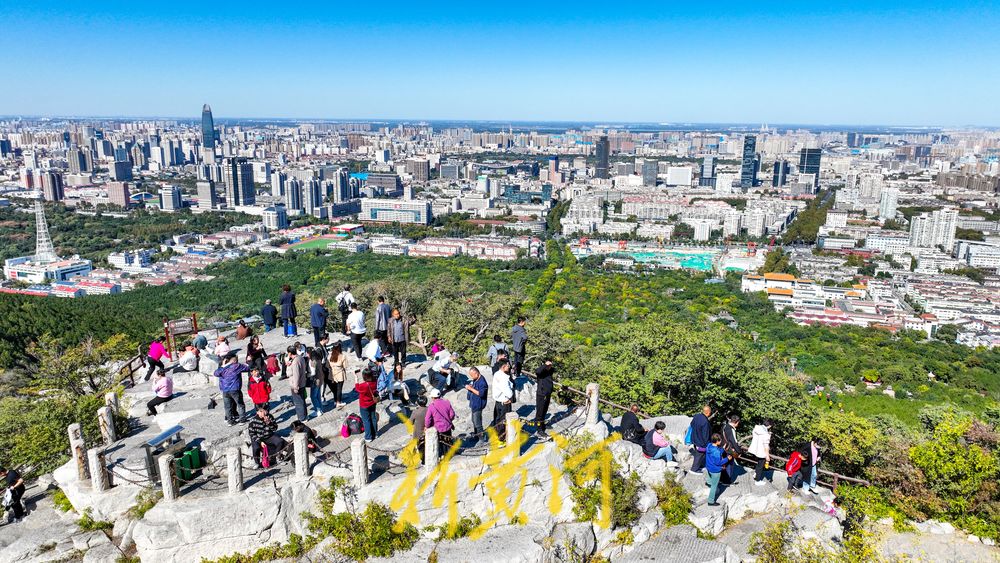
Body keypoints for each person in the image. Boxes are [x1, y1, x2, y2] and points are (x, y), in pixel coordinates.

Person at [213, 353, 248, 426]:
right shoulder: (237, 366)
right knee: (240, 404)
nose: (237, 360)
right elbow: (248, 368)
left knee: (227, 406)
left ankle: (230, 421)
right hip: (235, 389)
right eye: (236, 359)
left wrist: (223, 365)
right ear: (233, 359)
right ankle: (242, 420)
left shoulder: (222, 369)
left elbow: (216, 373)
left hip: (225, 390)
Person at [355, 366, 380, 442]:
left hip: (364, 405)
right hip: (373, 402)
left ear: (364, 377)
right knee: (373, 418)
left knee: (366, 420)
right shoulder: (375, 381)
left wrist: (356, 378)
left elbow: (357, 388)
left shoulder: (363, 385)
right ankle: (375, 434)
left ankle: (368, 437)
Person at [465, 366, 488, 443]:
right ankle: (476, 435)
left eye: (472, 375)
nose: (471, 377)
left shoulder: (482, 382)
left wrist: (470, 388)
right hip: (474, 403)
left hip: (478, 404)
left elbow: (481, 393)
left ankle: (482, 438)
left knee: (477, 422)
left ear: (476, 373)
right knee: (474, 420)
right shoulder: (476, 379)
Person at [285, 345, 308, 422]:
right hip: (302, 383)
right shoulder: (300, 358)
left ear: (290, 353)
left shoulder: (295, 362)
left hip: (297, 384)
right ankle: (304, 415)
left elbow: (296, 375)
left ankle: (302, 418)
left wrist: (295, 387)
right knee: (302, 401)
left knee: (298, 402)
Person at [705, 433, 729, 507]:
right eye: (720, 440)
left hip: (709, 467)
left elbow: (717, 450)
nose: (721, 442)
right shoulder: (716, 451)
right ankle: (711, 501)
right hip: (715, 470)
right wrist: (727, 459)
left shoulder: (709, 445)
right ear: (717, 441)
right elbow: (718, 462)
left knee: (709, 477)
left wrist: (723, 449)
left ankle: (708, 482)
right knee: (714, 486)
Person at [721, 414, 745, 485]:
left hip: (723, 448)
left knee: (724, 464)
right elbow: (734, 442)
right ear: (736, 422)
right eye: (738, 423)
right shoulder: (731, 430)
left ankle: (722, 479)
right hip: (729, 450)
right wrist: (739, 451)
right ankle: (727, 481)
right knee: (729, 465)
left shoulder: (724, 426)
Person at [747, 420, 773, 486]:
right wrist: (767, 456)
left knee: (758, 463)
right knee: (761, 466)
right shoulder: (765, 434)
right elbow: (766, 445)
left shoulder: (757, 428)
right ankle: (757, 481)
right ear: (769, 425)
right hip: (762, 451)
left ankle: (756, 474)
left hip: (756, 449)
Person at [534, 360, 555, 439]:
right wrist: (545, 365)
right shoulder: (541, 372)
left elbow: (553, 369)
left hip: (547, 394)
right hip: (541, 394)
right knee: (540, 412)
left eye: (550, 365)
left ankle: (542, 425)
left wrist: (549, 366)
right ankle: (539, 430)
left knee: (544, 410)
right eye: (548, 365)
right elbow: (538, 371)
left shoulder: (550, 371)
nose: (549, 367)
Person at [491, 360, 514, 433]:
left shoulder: (497, 374)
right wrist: (511, 395)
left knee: (498, 419)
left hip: (498, 401)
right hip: (505, 402)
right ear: (503, 367)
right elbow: (508, 393)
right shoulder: (503, 377)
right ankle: (502, 437)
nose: (509, 367)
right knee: (503, 421)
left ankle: (498, 435)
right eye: (508, 365)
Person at [689, 404, 712, 474]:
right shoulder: (705, 422)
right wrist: (707, 444)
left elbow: (691, 424)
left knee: (701, 454)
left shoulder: (697, 416)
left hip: (694, 439)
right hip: (701, 442)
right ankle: (694, 469)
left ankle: (700, 465)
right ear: (708, 412)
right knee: (699, 455)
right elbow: (705, 435)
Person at [326, 342, 348, 407]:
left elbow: (327, 365)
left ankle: (335, 401)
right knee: (339, 389)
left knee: (334, 389)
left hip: (332, 374)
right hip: (340, 374)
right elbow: (345, 366)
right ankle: (339, 402)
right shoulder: (343, 356)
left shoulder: (330, 356)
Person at [307, 348, 327, 418]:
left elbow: (313, 372)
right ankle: (320, 409)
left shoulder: (312, 361)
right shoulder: (318, 359)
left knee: (313, 396)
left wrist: (307, 375)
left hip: (316, 381)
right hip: (321, 379)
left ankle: (318, 410)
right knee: (318, 395)